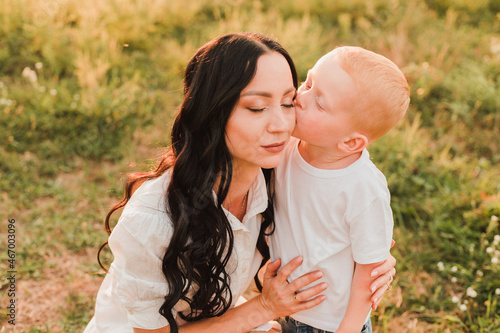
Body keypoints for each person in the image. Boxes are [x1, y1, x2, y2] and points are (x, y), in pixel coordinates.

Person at [84, 34, 396, 333]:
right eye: (257, 108)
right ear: (212, 113)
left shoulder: (277, 169)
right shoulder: (151, 222)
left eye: (289, 103)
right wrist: (263, 308)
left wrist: (366, 260)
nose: (281, 125)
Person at [269, 46, 409, 333]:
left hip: (330, 323)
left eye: (319, 103)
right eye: (307, 83)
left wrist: (347, 329)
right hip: (281, 305)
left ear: (350, 143)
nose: (300, 97)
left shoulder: (363, 189)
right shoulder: (284, 148)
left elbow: (370, 270)